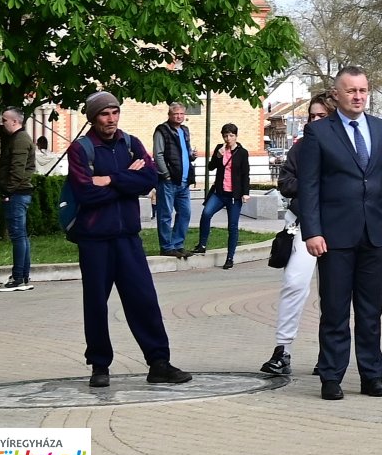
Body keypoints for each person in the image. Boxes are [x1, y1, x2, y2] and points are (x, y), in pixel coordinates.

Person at [294, 65, 382, 400]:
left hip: (374, 234)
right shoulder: (319, 133)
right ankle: (331, 376)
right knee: (334, 310)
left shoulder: (381, 129)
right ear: (337, 95)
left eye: (362, 90)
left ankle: (372, 376)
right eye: (351, 91)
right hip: (334, 236)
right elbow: (309, 186)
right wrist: (312, 231)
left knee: (370, 311)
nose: (358, 97)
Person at [64, 92, 192, 387]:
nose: (111, 119)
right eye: (104, 114)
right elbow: (86, 193)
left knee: (144, 300)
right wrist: (127, 180)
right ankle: (99, 365)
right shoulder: (80, 149)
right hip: (95, 240)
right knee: (96, 303)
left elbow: (149, 179)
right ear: (93, 118)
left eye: (115, 112)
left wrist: (110, 178)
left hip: (128, 239)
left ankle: (158, 363)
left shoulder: (131, 143)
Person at [262, 94, 332, 378]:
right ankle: (282, 349)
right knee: (294, 283)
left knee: (333, 293)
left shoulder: (343, 147)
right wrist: (312, 185)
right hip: (303, 225)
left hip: (336, 227)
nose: (315, 121)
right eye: (312, 116)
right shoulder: (300, 148)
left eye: (321, 116)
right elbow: (285, 182)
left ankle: (329, 354)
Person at [192, 123, 250, 268]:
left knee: (232, 226)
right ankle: (202, 245)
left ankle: (230, 257)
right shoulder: (220, 148)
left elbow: (245, 174)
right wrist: (218, 156)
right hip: (219, 193)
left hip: (234, 196)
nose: (228, 138)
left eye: (231, 135)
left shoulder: (242, 152)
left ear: (236, 136)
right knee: (206, 213)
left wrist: (245, 193)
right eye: (225, 136)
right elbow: (211, 167)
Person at [0, 107, 36, 292]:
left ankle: (18, 278)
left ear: (15, 121)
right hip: (18, 192)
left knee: (18, 236)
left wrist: (7, 192)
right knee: (21, 236)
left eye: (4, 120)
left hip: (17, 194)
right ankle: (22, 277)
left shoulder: (20, 140)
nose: (2, 123)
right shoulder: (19, 138)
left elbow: (17, 171)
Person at [150, 103, 194, 258]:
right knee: (165, 215)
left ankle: (178, 244)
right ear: (169, 115)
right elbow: (158, 154)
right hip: (168, 181)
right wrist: (166, 174)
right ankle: (166, 247)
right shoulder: (162, 130)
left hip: (184, 181)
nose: (179, 116)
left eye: (181, 113)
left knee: (185, 213)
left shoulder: (184, 130)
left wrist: (192, 156)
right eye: (176, 114)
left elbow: (185, 152)